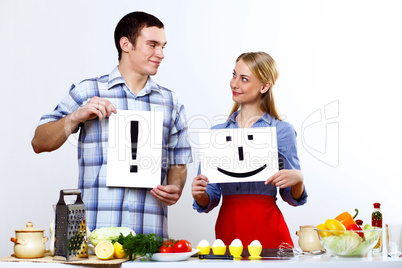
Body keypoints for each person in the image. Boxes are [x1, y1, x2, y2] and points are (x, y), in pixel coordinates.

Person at [31, 11, 192, 239]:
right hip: (95, 237)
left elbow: (179, 161)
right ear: (126, 44)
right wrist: (75, 116)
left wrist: (175, 186)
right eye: (153, 45)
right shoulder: (89, 91)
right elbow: (39, 142)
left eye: (163, 46)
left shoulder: (170, 102)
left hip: (149, 239)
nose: (161, 54)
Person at [191, 52, 307, 249]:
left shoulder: (281, 131)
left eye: (244, 79)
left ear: (264, 86)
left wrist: (298, 179)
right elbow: (209, 199)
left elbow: (291, 197)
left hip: (268, 228)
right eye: (234, 75)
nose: (234, 83)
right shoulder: (217, 134)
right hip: (229, 228)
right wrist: (198, 193)